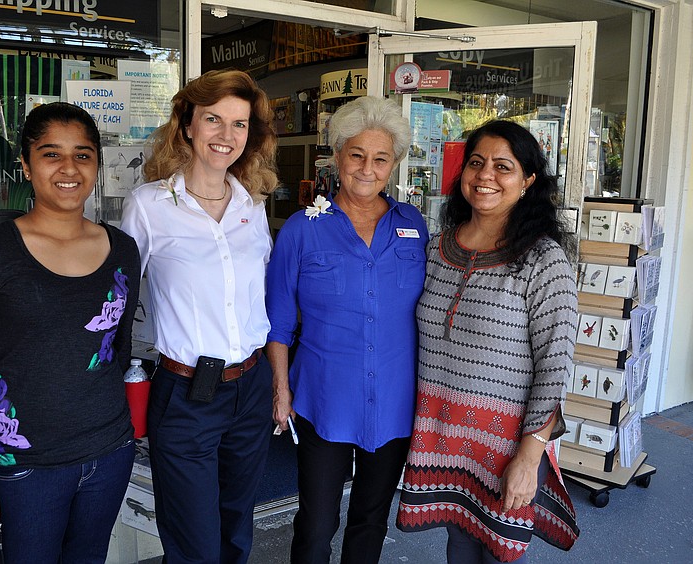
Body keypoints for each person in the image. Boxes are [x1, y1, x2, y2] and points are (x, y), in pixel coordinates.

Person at [0, 102, 141, 563]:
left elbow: (116, 351)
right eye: (51, 154)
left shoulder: (123, 250)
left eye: (83, 155)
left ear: (96, 165)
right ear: (26, 165)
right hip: (21, 467)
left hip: (107, 453)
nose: (69, 168)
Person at [395, 119, 580, 563]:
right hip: (446, 439)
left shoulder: (542, 258)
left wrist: (529, 457)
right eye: (476, 163)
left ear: (527, 181)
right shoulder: (437, 248)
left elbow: (555, 366)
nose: (485, 176)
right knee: (459, 545)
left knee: (497, 551)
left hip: (505, 446)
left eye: (503, 167)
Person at [120, 69, 278, 564]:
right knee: (193, 542)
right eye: (214, 120)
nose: (226, 136)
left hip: (250, 388)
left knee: (236, 528)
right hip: (186, 393)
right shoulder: (149, 206)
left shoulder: (252, 207)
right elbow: (118, 298)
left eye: (239, 124)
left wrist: (279, 382)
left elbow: (264, 300)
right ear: (188, 124)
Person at [266, 96, 428, 564]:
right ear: (337, 157)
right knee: (316, 525)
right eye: (356, 155)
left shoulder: (412, 225)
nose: (367, 168)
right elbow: (277, 322)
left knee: (371, 519)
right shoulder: (301, 230)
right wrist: (281, 391)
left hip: (395, 399)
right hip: (324, 398)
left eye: (380, 158)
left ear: (394, 164)